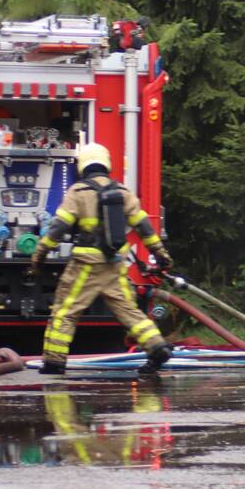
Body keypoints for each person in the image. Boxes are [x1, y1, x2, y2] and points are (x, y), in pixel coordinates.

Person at [30, 143, 174, 376]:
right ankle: (157, 347)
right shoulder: (124, 192)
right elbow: (144, 226)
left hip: (85, 265)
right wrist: (161, 254)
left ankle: (54, 362)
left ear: (83, 165)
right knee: (128, 310)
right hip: (114, 264)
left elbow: (58, 228)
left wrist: (39, 255)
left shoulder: (78, 192)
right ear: (107, 164)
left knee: (66, 311)